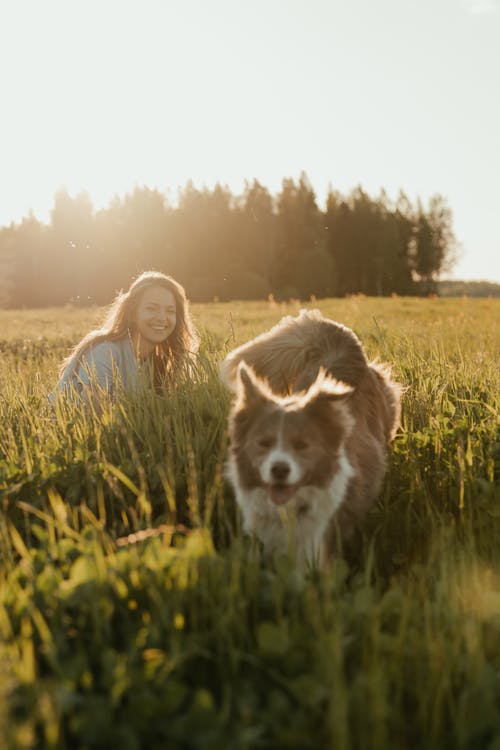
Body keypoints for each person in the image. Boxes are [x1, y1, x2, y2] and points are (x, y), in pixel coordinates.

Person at [51, 271, 199, 403]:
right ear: (133, 313)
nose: (162, 317)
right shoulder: (105, 352)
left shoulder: (155, 363)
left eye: (170, 311)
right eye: (151, 308)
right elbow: (93, 412)